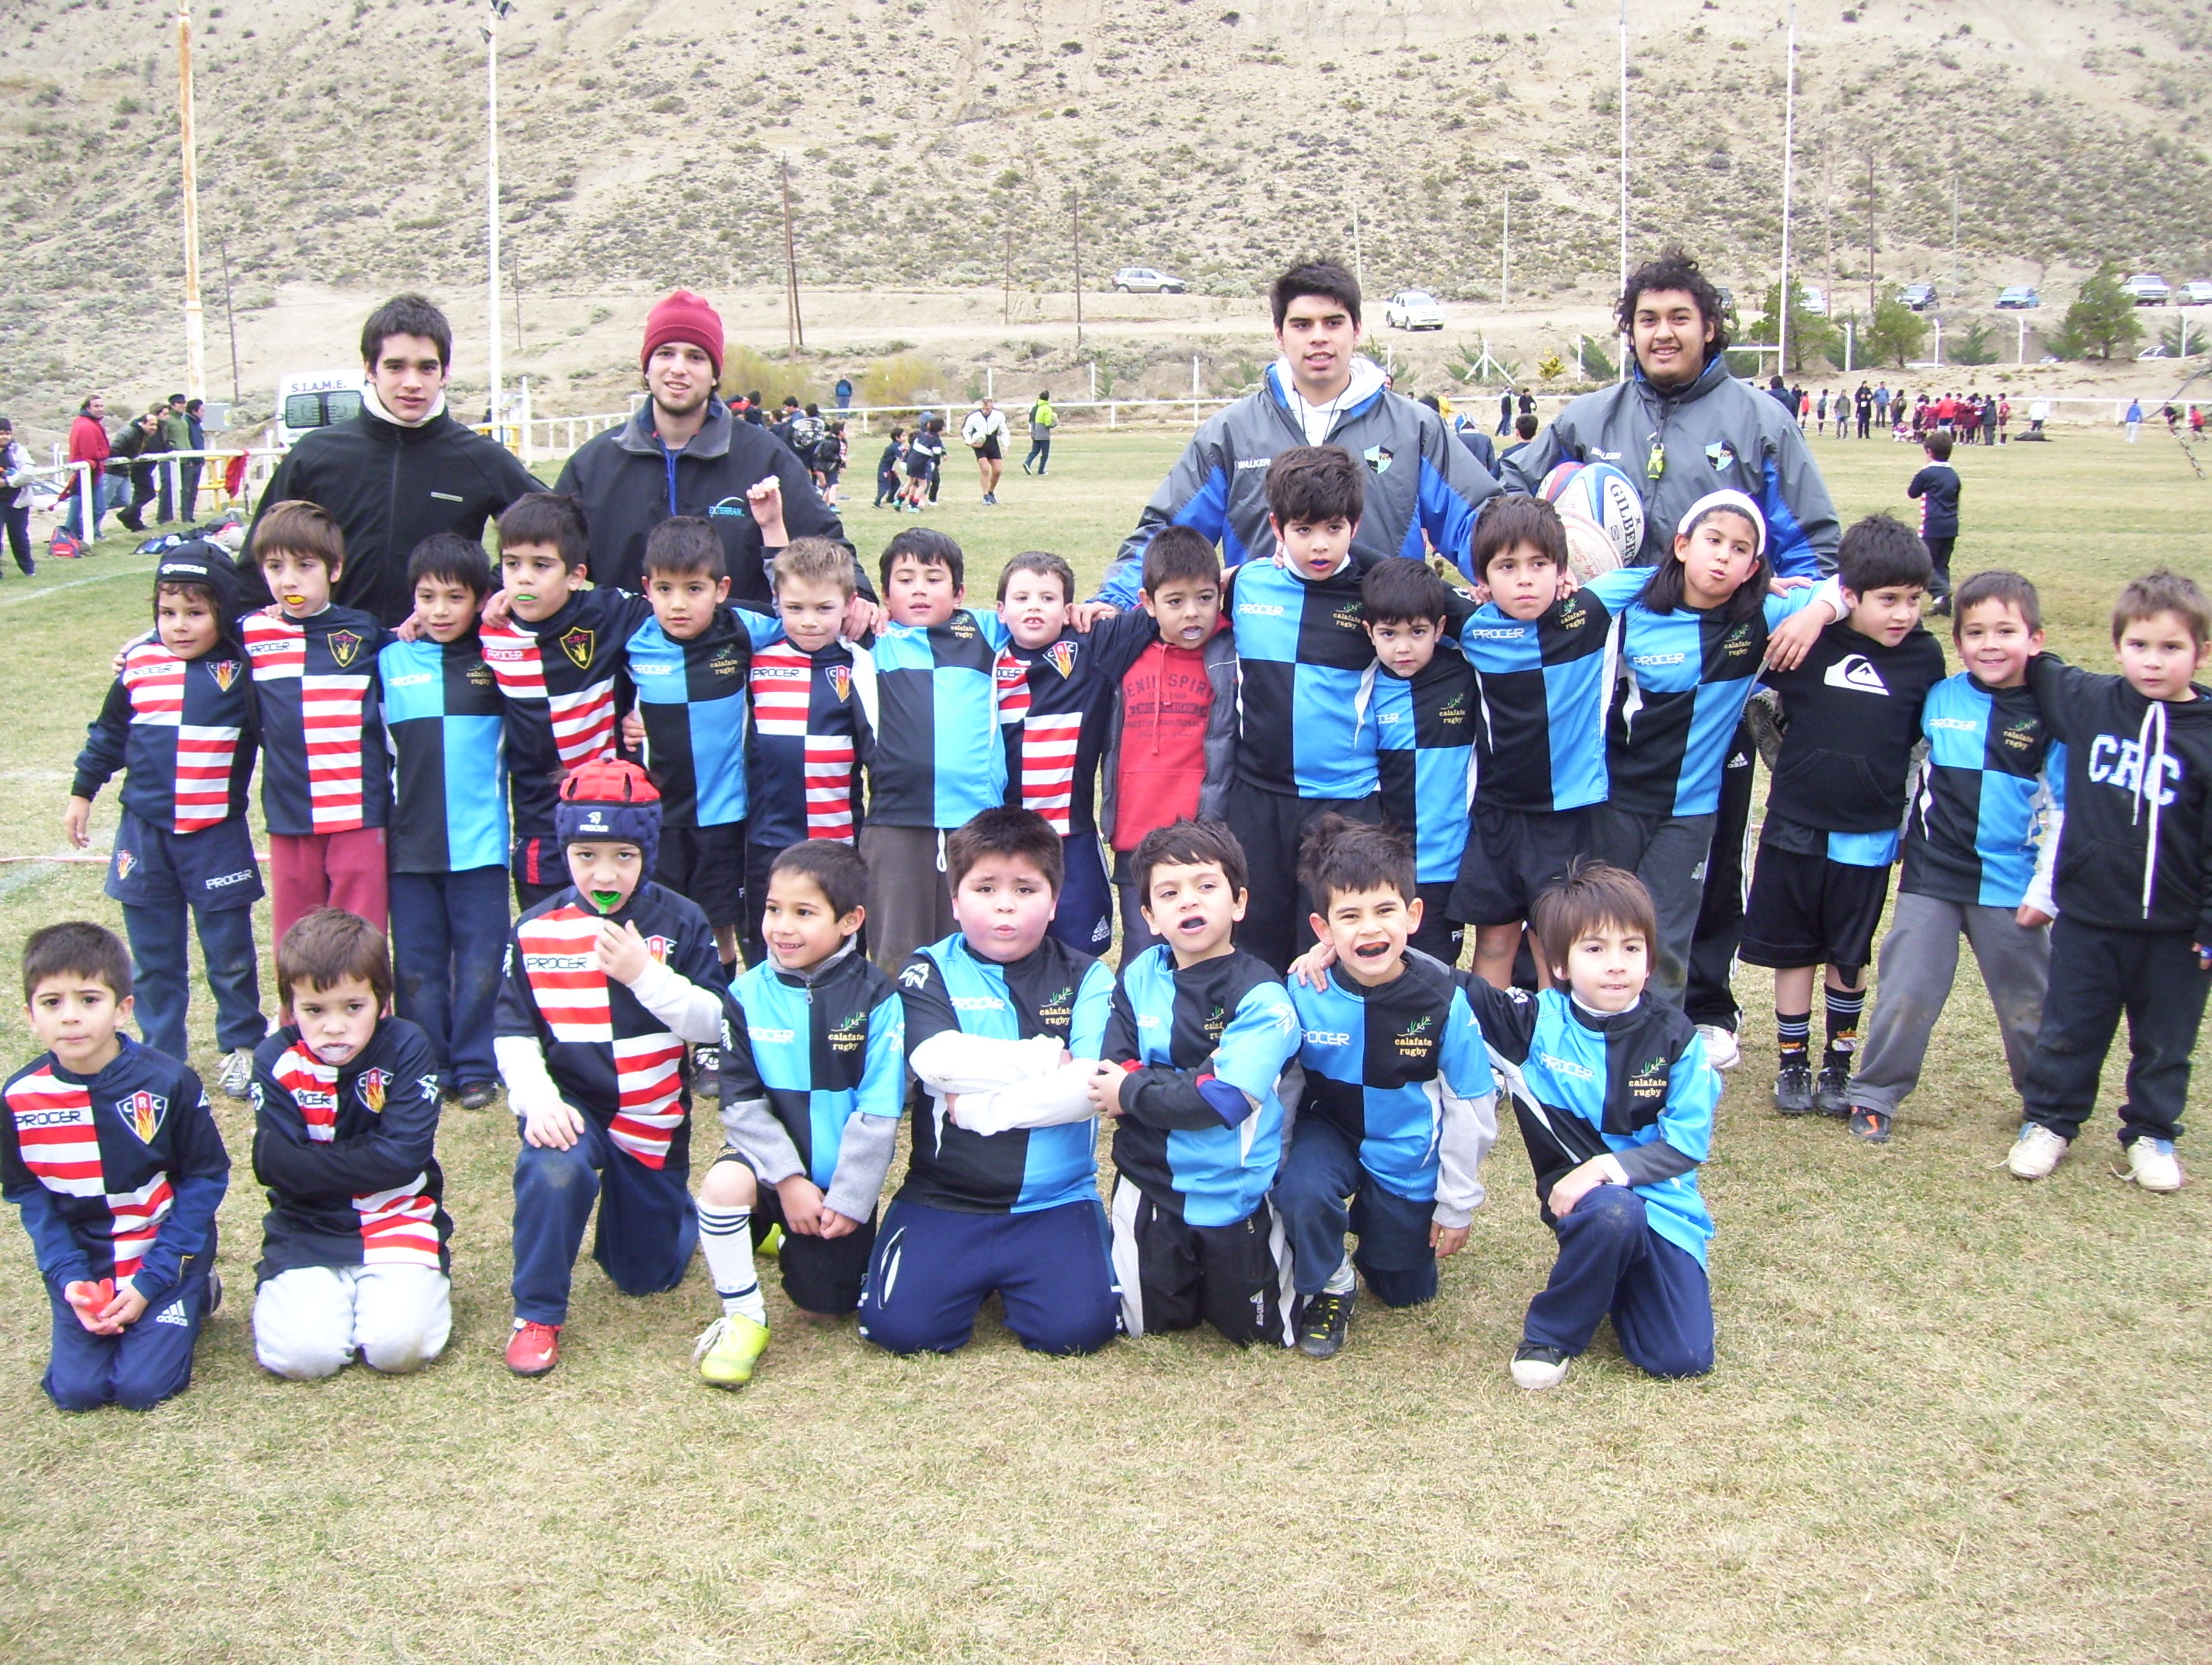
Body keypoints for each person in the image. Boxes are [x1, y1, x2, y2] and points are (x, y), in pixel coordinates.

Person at [497, 760, 732, 1377]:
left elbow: (714, 1022)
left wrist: (644, 976)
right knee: (552, 1170)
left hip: (652, 1117)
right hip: (572, 1110)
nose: (605, 874)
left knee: (646, 1278)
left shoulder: (681, 921)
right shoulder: (534, 927)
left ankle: (671, 1212)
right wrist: (536, 1099)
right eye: (586, 855)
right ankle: (537, 1313)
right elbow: (512, 1029)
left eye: (624, 855)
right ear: (564, 851)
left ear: (647, 851)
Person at [856, 808, 1120, 1357]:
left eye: (1025, 888)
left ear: (1053, 901)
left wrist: (980, 1111)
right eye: (985, 887)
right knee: (904, 1333)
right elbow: (937, 1062)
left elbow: (1089, 1088)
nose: (1005, 903)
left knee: (1077, 1334)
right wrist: (1050, 1060)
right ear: (955, 900)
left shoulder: (1089, 976)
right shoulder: (926, 969)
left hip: (1056, 1198)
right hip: (944, 1195)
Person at [1094, 262, 1497, 605]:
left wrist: (1535, 569)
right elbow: (1169, 535)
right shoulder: (1232, 433)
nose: (1318, 336)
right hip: (1267, 656)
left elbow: (1477, 518)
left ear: (1356, 330)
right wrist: (1113, 602)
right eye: (1302, 324)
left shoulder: (1415, 428)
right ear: (1279, 334)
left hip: (1383, 648)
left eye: (1333, 323)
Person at [1576, 492, 1842, 1010]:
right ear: (1682, 545)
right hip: (1615, 801)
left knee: (1667, 932)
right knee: (1600, 923)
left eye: (1740, 549)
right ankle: (1589, 1033)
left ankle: (1658, 1042)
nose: (1723, 556)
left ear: (1753, 568)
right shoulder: (1630, 603)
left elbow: (1852, 585)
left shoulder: (1762, 613)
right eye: (1712, 541)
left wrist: (1818, 612)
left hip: (1691, 812)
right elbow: (1562, 603)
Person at [1456, 862, 1717, 1389]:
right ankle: (1551, 1334)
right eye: (1595, 949)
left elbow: (1685, 1148)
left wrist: (1601, 1167)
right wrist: (1350, 950)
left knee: (1679, 1357)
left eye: (1631, 948)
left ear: (1649, 959)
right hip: (1587, 1205)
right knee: (1614, 1215)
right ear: (1560, 963)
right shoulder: (1530, 1024)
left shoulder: (1676, 1037)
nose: (1616, 965)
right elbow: (1433, 980)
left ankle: (1614, 1270)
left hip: (1663, 1205)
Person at [2005, 571, 2212, 1194]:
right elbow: (2033, 659)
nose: (2153, 661)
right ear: (2117, 646)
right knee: (2070, 1029)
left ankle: (2152, 1131)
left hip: (2175, 931)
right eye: (2140, 645)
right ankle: (2050, 1122)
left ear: (2200, 652)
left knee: (2164, 1041)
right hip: (2089, 918)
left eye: (2172, 648)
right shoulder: (2091, 700)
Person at [1845, 571, 2061, 1145]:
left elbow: (2063, 808)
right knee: (1906, 990)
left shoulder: (2049, 714)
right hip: (1931, 876)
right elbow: (1909, 766)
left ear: (2035, 639)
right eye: (1975, 632)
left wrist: (2046, 888)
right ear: (1959, 640)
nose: (1989, 644)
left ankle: (2046, 1106)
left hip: (2010, 885)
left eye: (2005, 631)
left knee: (2029, 1004)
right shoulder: (1940, 697)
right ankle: (1874, 1094)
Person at [1738, 516, 1945, 1118]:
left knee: (1847, 953)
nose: (1903, 614)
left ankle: (1837, 1064)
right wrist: (1793, 602)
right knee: (1794, 948)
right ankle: (1793, 1062)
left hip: (1870, 830)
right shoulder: (1809, 640)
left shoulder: (1924, 658)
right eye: (1888, 601)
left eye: (1914, 600)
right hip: (1796, 822)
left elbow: (1918, 742)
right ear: (1848, 596)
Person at [1275, 817, 1496, 1358]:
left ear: (1413, 915)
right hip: (1331, 1131)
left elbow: (1471, 1105)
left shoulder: (1443, 999)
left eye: (1384, 911)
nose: (1369, 929)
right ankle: (1331, 1281)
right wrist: (1274, 1166)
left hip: (1406, 1148)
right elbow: (1282, 1086)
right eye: (1349, 916)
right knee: (1300, 1193)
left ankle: (1377, 1227)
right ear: (1323, 930)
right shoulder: (1305, 988)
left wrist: (1456, 1204)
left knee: (1404, 1292)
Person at [696, 840, 904, 1386]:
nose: (782, 927)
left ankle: (781, 1238)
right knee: (721, 1185)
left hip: (835, 1184)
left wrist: (850, 1198)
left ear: (850, 921)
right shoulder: (743, 995)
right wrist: (786, 1180)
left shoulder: (878, 996)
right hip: (770, 1169)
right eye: (772, 909)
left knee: (825, 1310)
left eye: (804, 912)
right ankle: (743, 1315)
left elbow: (879, 1111)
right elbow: (739, 1101)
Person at [64, 547, 266, 1097]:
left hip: (216, 834)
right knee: (154, 960)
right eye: (168, 611)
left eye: (196, 612)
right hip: (145, 833)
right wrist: (82, 793)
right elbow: (108, 733)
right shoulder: (138, 664)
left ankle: (244, 1046)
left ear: (223, 613)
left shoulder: (245, 666)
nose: (180, 625)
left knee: (229, 956)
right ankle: (161, 1055)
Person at [3, 921, 230, 1411]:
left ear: (123, 1008)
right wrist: (71, 1280)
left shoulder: (169, 1082)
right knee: (77, 1393)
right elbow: (29, 1196)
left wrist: (153, 1280)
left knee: (141, 1389)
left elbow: (206, 1177)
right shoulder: (17, 1099)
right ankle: (106, 1307)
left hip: (160, 1254)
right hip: (86, 1263)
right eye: (52, 1003)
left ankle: (195, 1290)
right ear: (30, 1015)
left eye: (89, 1000)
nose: (70, 1017)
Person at [1092, 819, 1301, 1347]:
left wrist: (1137, 1090)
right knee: (1146, 1329)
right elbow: (1111, 1069)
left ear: (1239, 902)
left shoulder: (1263, 996)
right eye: (1169, 892)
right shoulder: (1140, 975)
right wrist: (1186, 1083)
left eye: (1206, 886)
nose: (1189, 902)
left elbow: (1225, 1100)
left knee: (1260, 1337)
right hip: (1148, 1183)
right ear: (1149, 917)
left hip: (1234, 1189)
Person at [552, 293, 864, 614]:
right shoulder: (594, 464)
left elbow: (826, 544)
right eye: (665, 353)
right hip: (625, 656)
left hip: (741, 653)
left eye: (695, 357)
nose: (678, 369)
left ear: (715, 373)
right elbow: (544, 551)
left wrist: (861, 598)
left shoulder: (763, 457)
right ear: (646, 367)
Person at [249, 295, 544, 626]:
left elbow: (554, 531)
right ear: (369, 369)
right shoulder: (316, 454)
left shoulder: (481, 457)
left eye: (427, 367)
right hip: (333, 658)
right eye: (395, 366)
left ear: (445, 372)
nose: (412, 383)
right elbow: (255, 560)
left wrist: (494, 589)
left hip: (441, 655)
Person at [249, 909, 453, 1380]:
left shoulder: (406, 1046)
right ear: (289, 1007)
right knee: (305, 1359)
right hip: (306, 1228)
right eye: (314, 1010)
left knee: (397, 1349)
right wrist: (373, 1157)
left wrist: (309, 1163)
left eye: (352, 1007)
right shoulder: (273, 1059)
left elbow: (403, 1159)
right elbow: (276, 1166)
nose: (334, 1027)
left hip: (398, 1219)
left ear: (382, 1001)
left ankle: (397, 1288)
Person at [1215, 446, 1386, 972]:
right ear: (1276, 525)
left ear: (1354, 526)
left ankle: (1327, 1054)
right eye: (1303, 529)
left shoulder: (1381, 588)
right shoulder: (1241, 585)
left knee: (1334, 949)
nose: (1319, 545)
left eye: (1333, 528)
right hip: (1259, 798)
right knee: (1255, 941)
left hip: (1344, 803)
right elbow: (1168, 603)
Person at [1451, 495, 1616, 993]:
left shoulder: (1590, 611)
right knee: (1496, 942)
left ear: (1562, 569)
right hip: (1496, 815)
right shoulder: (1471, 625)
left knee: (1556, 945)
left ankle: (1554, 1055)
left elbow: (1676, 573)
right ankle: (1490, 1056)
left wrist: (1776, 589)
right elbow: (1398, 582)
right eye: (1507, 566)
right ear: (1481, 581)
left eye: (1539, 564)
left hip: (1565, 817)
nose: (1525, 578)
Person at [618, 516, 786, 992]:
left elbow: (800, 606)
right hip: (659, 818)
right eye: (665, 589)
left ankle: (718, 1018)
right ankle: (665, 1014)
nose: (678, 603)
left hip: (725, 814)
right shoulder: (633, 634)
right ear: (647, 588)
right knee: (661, 921)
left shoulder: (745, 628)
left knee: (719, 923)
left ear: (721, 588)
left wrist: (865, 611)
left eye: (694, 588)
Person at [379, 533, 509, 1111]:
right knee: (417, 963)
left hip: (481, 847)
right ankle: (427, 1061)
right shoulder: (389, 659)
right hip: (409, 848)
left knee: (482, 958)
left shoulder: (501, 656)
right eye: (426, 597)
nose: (438, 611)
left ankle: (477, 1064)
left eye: (453, 598)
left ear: (481, 598)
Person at [478, 493, 653, 909]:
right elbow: (437, 614)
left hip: (611, 806)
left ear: (575, 576)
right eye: (512, 564)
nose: (523, 578)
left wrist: (652, 717)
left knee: (619, 929)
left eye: (541, 566)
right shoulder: (485, 627)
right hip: (540, 820)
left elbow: (682, 619)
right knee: (548, 931)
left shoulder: (607, 614)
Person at [857, 528, 1010, 971]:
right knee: (895, 954)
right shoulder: (870, 640)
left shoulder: (983, 631)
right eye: (905, 580)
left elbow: (1037, 613)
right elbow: (799, 604)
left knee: (977, 949)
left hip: (975, 822)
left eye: (933, 578)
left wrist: (1079, 610)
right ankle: (898, 1037)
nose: (919, 589)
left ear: (959, 592)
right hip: (896, 823)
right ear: (884, 595)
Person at [241, 501, 392, 942]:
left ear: (335, 569)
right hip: (291, 813)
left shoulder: (364, 631)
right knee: (297, 936)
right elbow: (192, 639)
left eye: (305, 565)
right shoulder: (250, 632)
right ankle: (295, 1015)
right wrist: (143, 642)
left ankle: (369, 1013)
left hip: (359, 813)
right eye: (274, 566)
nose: (289, 580)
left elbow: (418, 642)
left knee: (360, 935)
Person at [993, 550, 1157, 954]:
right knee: (1006, 947)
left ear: (1069, 610)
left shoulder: (1092, 647)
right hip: (1003, 839)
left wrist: (1110, 605)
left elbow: (1165, 603)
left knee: (1079, 951)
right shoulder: (983, 656)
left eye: (1047, 599)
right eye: (1022, 598)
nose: (1034, 607)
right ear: (1000, 610)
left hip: (1073, 838)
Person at [1099, 526, 1239, 957]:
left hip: (1202, 838)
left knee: (1201, 959)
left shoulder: (1230, 652)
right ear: (1148, 603)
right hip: (1134, 837)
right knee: (1142, 960)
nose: (1192, 613)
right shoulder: (1124, 653)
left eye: (1204, 598)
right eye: (1175, 602)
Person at [741, 537, 876, 968]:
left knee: (842, 947)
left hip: (837, 838)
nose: (810, 622)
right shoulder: (757, 660)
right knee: (772, 947)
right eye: (795, 609)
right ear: (777, 602)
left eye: (824, 609)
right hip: (769, 837)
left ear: (849, 604)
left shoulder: (860, 662)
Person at [1364, 556, 1476, 964]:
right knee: (1385, 968)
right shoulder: (1363, 687)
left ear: (1441, 628)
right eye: (1388, 633)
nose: (1404, 647)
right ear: (1369, 633)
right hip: (1388, 870)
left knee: (1436, 974)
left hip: (1449, 864)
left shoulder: (1465, 675)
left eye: (1418, 632)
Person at [1906, 428, 1963, 614]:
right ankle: (1943, 604)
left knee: (1923, 563)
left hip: (1932, 524)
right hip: (1951, 525)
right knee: (1941, 564)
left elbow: (1912, 492)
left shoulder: (1928, 473)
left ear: (1929, 452)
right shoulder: (1953, 475)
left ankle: (1942, 592)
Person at [59, 393, 110, 544]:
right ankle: (75, 535)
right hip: (89, 471)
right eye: (96, 406)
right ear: (87, 408)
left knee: (80, 502)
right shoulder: (87, 426)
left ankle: (73, 535)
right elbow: (92, 453)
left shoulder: (87, 423)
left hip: (90, 470)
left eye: (101, 406)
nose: (100, 409)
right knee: (95, 507)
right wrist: (105, 454)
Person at [111, 409, 162, 535]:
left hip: (132, 468)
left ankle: (133, 521)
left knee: (135, 496)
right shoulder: (133, 432)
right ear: (143, 423)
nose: (154, 427)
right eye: (164, 414)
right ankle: (127, 516)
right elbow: (115, 448)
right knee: (105, 502)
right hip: (127, 469)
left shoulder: (149, 433)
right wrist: (122, 463)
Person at [0, 415, 34, 577]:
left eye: (7, 433)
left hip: (16, 502)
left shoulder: (18, 451)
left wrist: (7, 482)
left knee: (19, 538)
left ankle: (28, 569)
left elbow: (28, 474)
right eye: (1, 433)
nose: (4, 436)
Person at [962, 397, 1010, 504]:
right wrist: (969, 442)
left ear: (992, 406)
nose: (985, 411)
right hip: (979, 445)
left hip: (992, 443)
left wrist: (1006, 445)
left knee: (998, 471)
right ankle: (985, 496)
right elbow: (966, 431)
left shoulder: (999, 415)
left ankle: (991, 492)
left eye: (987, 409)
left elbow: (1004, 431)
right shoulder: (973, 417)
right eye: (983, 408)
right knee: (985, 469)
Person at [899, 416, 947, 511]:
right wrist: (936, 465)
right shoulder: (936, 440)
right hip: (921, 464)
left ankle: (899, 501)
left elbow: (912, 448)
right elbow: (937, 455)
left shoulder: (922, 435)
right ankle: (913, 505)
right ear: (940, 428)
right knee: (923, 484)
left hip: (910, 460)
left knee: (911, 482)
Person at [158, 395, 191, 524]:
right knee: (168, 488)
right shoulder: (168, 420)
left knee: (183, 489)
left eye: (184, 402)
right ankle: (164, 518)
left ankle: (182, 516)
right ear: (172, 405)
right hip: (169, 460)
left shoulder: (183, 421)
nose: (182, 405)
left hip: (184, 460)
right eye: (179, 403)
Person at [179, 398, 207, 524]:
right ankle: (185, 516)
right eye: (201, 410)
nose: (203, 413)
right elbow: (187, 442)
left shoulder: (197, 424)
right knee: (187, 490)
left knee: (193, 490)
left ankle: (190, 515)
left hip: (197, 460)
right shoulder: (186, 423)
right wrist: (189, 459)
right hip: (190, 462)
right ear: (194, 411)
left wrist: (201, 459)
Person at [1022, 390, 1056, 475]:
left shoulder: (1035, 408)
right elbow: (1047, 423)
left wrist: (1033, 432)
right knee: (1045, 453)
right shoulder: (1047, 408)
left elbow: (1031, 421)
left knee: (1035, 450)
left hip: (1035, 432)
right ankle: (1041, 470)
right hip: (1044, 434)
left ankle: (1028, 462)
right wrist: (1055, 423)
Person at [874, 426, 907, 509]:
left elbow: (904, 449)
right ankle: (876, 502)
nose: (905, 438)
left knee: (896, 484)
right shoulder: (895, 447)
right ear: (897, 437)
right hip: (884, 469)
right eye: (903, 436)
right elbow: (901, 458)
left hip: (890, 468)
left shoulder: (898, 445)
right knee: (884, 486)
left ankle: (890, 498)